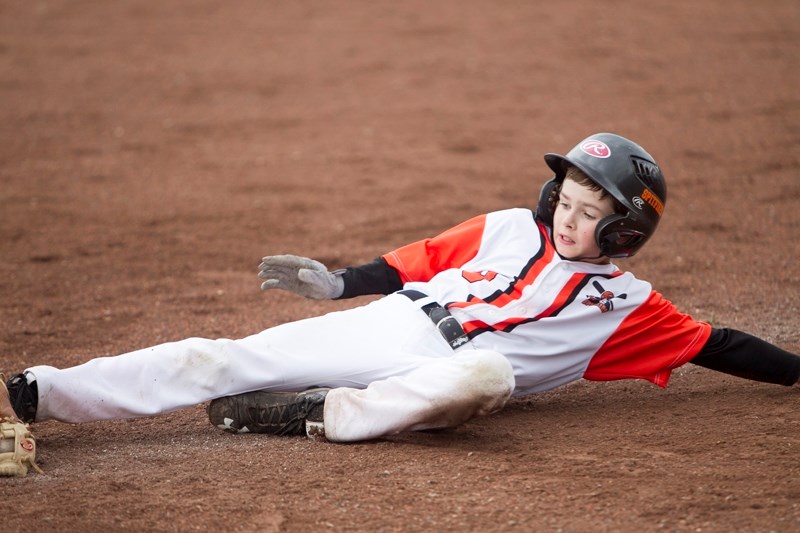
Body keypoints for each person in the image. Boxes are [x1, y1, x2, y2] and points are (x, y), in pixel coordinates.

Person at [2, 133, 799, 476]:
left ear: (624, 234)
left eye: (594, 211)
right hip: (399, 321)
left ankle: (325, 414)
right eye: (569, 195)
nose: (569, 214)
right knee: (220, 356)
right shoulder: (504, 227)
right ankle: (39, 390)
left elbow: (717, 343)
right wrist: (337, 284)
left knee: (487, 375)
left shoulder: (627, 304)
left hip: (451, 373)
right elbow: (408, 263)